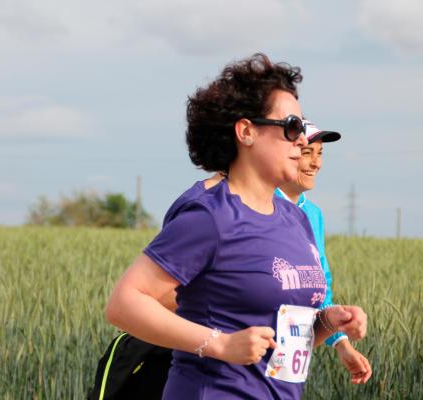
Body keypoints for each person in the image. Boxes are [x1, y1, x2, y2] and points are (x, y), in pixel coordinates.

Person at [105, 53, 367, 399]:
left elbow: (283, 345)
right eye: (291, 127)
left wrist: (327, 323)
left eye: (301, 130)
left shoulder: (297, 219)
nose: (302, 141)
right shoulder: (209, 216)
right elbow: (124, 304)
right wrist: (220, 344)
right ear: (246, 132)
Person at [276, 120, 372, 384]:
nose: (316, 163)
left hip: (289, 360)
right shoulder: (259, 205)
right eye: (307, 153)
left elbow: (321, 285)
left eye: (319, 154)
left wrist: (342, 343)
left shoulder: (313, 214)